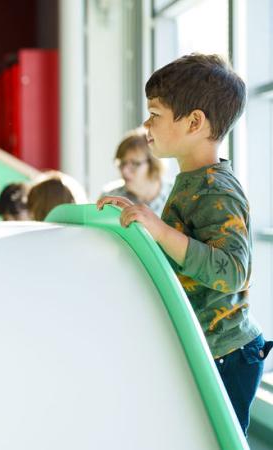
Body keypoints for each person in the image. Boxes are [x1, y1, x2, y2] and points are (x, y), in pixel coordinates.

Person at [98, 53, 272, 435]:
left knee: (217, 438)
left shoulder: (216, 190)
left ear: (194, 122)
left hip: (229, 354)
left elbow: (233, 271)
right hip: (209, 348)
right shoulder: (192, 180)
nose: (146, 124)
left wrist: (159, 231)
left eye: (155, 114)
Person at [100, 128, 172, 214]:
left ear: (153, 164)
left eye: (134, 164)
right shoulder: (110, 201)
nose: (124, 171)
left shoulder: (178, 198)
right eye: (122, 163)